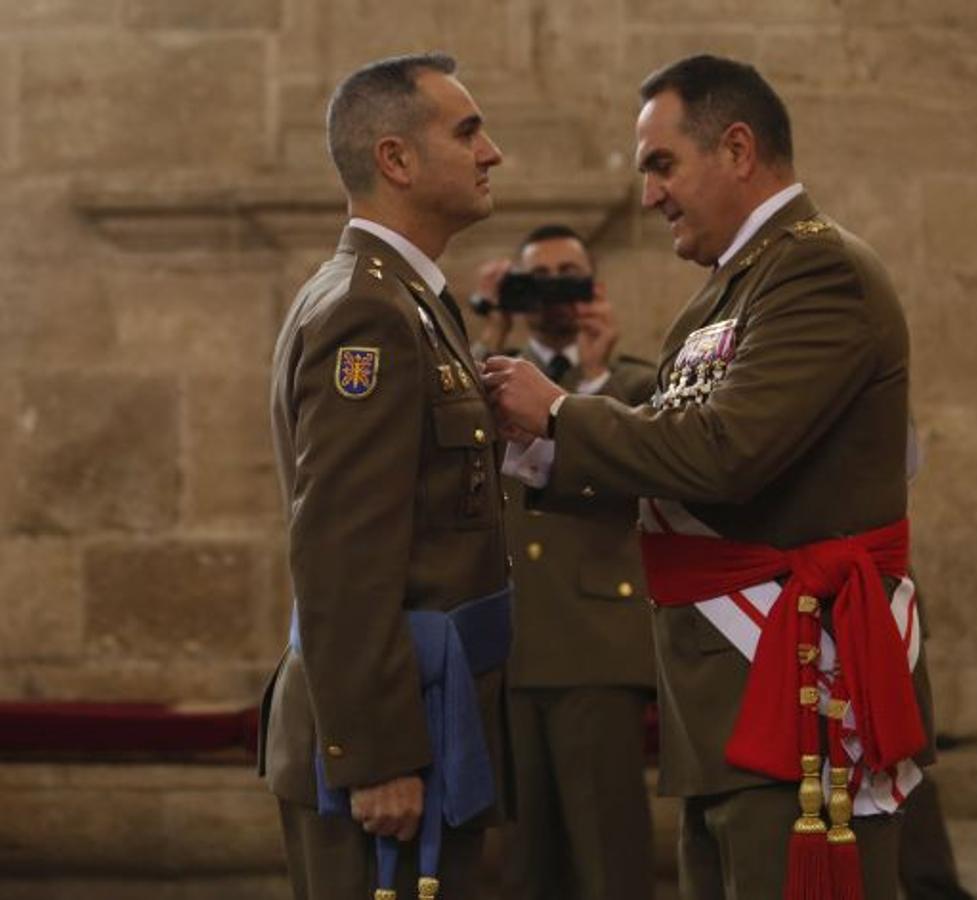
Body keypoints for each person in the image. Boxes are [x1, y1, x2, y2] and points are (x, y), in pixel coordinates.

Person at [484, 55, 935, 900]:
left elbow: (723, 453)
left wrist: (557, 414)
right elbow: (663, 450)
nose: (649, 193)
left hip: (796, 681)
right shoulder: (722, 295)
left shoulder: (818, 271)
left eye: (662, 164)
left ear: (736, 148)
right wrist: (538, 440)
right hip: (726, 689)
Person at [257, 52, 511, 900]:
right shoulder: (368, 310)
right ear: (396, 160)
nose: (492, 153)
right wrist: (377, 757)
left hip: (432, 707)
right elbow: (340, 551)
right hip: (392, 736)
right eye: (468, 131)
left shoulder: (406, 298)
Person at [471, 225, 657, 900]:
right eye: (536, 278)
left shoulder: (632, 380)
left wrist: (596, 377)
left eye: (568, 276)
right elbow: (452, 459)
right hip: (513, 643)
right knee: (525, 860)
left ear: (595, 287)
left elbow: (639, 469)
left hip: (595, 644)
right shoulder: (487, 377)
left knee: (610, 851)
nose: (553, 292)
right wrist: (486, 332)